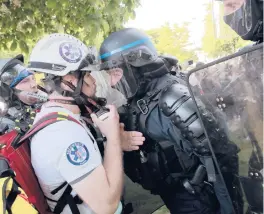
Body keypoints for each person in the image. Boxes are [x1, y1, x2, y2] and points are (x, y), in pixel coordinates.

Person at [98, 28, 240, 214]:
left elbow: (221, 158)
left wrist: (229, 211)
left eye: (116, 73)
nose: (112, 82)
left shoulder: (172, 98)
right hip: (175, 195)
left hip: (198, 199)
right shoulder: (142, 98)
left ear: (137, 63)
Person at [27, 33, 126, 214]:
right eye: (87, 75)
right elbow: (107, 206)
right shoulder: (62, 133)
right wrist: (113, 138)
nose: (94, 81)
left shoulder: (58, 117)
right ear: (70, 81)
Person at [0, 54, 48, 134]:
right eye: (24, 81)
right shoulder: (4, 124)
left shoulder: (46, 103)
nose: (33, 84)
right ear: (6, 91)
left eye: (33, 79)